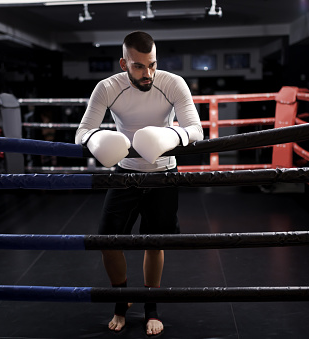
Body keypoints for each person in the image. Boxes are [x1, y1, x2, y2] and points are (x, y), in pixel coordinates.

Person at [75, 31, 203, 336]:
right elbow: (82, 131)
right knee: (107, 242)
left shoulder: (172, 83)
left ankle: (151, 307)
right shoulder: (107, 88)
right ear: (123, 63)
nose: (148, 74)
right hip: (125, 172)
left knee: (154, 243)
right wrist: (97, 139)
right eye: (139, 67)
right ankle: (121, 301)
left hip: (163, 174)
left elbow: (195, 129)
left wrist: (170, 135)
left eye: (152, 65)